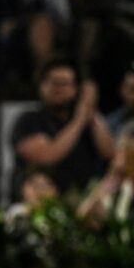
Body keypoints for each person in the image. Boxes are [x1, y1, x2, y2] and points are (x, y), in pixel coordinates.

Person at [10, 59, 115, 200]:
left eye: (65, 84)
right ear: (41, 85)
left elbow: (109, 153)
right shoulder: (28, 120)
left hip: (82, 203)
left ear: (75, 89)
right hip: (41, 206)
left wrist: (91, 109)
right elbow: (45, 157)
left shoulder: (86, 120)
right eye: (53, 82)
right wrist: (80, 119)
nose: (58, 89)